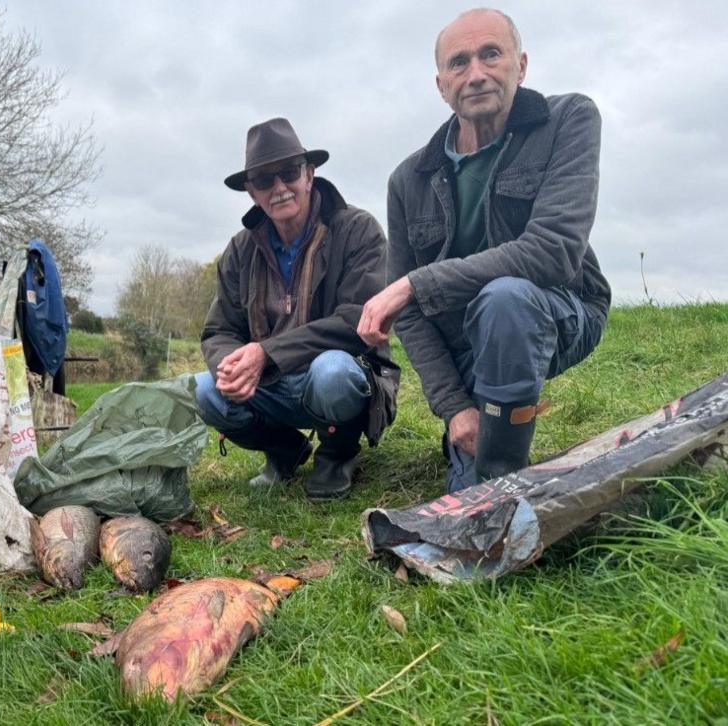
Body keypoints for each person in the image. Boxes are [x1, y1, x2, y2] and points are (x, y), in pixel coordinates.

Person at [357, 8, 611, 492]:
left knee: (505, 299)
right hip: (465, 340)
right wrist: (454, 407)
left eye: (491, 54)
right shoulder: (407, 179)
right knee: (488, 325)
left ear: (521, 65)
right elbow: (410, 319)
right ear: (441, 84)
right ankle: (475, 430)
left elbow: (553, 251)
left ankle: (499, 479)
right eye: (459, 63)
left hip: (562, 308)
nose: (475, 74)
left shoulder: (569, 119)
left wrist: (416, 283)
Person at [197, 118, 399, 500]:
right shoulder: (240, 250)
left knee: (333, 373)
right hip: (272, 382)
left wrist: (266, 353)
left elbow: (356, 322)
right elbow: (218, 330)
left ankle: (338, 453)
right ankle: (285, 451)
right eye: (263, 181)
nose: (279, 188)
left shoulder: (359, 230)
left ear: (309, 174)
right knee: (207, 390)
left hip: (341, 376)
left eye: (289, 173)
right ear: (251, 192)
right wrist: (232, 365)